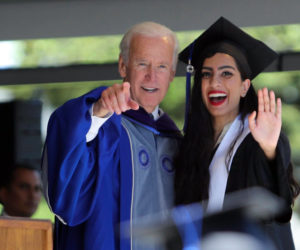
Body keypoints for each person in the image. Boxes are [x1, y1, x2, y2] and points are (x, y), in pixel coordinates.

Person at [42, 22, 181, 250]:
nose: (151, 76)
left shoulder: (178, 143)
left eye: (162, 66)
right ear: (123, 66)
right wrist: (96, 114)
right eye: (142, 63)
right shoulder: (102, 127)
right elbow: (67, 196)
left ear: (172, 74)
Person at [174, 17, 300, 250]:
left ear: (244, 86)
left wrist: (269, 151)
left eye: (227, 74)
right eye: (206, 74)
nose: (215, 82)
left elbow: (280, 210)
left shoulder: (258, 135)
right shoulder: (195, 146)